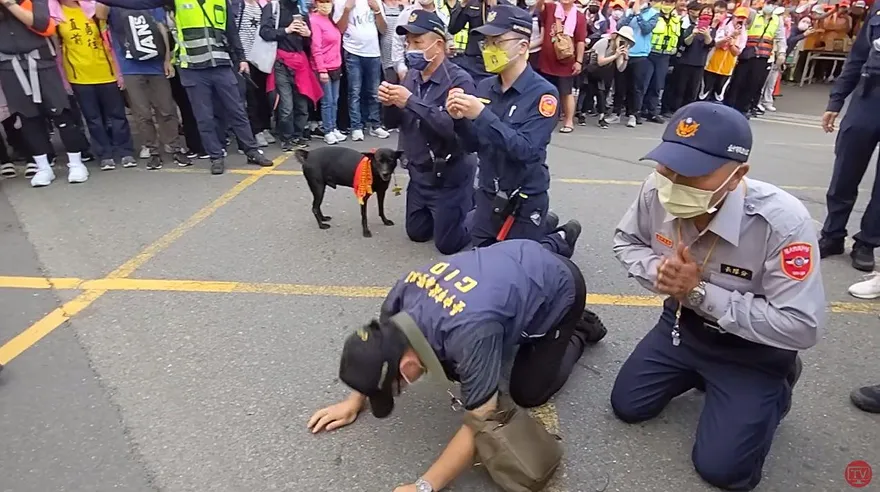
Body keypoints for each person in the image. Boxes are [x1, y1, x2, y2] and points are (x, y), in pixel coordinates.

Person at [611, 101, 822, 491]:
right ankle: (699, 375)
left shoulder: (782, 223)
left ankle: (776, 389)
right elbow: (627, 241)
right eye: (667, 164)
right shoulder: (656, 190)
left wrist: (698, 291)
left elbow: (801, 326)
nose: (673, 181)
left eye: (692, 173)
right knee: (628, 405)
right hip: (681, 328)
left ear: (738, 174)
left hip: (753, 350)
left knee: (721, 470)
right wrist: (659, 272)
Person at [306, 239, 608, 492]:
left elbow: (480, 420)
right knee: (466, 357)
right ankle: (552, 244)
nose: (399, 391)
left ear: (407, 362)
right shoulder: (398, 303)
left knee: (528, 392)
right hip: (513, 259)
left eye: (397, 385)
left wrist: (424, 486)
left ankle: (579, 329)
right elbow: (377, 353)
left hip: (559, 288)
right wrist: (354, 400)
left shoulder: (470, 334)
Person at [446, 4, 582, 256]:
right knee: (481, 261)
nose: (488, 49)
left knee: (520, 268)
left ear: (522, 47)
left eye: (497, 42)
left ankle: (561, 238)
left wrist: (482, 115)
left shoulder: (543, 94)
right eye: (486, 43)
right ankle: (546, 228)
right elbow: (473, 145)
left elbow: (526, 150)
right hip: (488, 193)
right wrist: (459, 119)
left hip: (524, 196)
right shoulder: (485, 87)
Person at [98, 0, 274, 175]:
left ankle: (252, 151)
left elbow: (231, 30)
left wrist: (241, 58)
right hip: (193, 69)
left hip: (222, 65)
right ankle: (216, 157)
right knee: (204, 118)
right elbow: (140, 4)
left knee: (237, 111)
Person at [379, 10, 477, 255]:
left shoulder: (459, 80)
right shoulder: (412, 76)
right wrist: (388, 102)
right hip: (420, 175)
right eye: (408, 42)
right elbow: (393, 123)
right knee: (417, 233)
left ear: (439, 45)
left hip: (448, 177)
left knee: (448, 245)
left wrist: (410, 101)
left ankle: (483, 209)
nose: (410, 48)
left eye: (418, 42)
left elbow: (452, 130)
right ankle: (455, 209)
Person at [0, 0, 92, 187]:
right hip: (9, 66)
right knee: (27, 118)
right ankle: (43, 166)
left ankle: (76, 162)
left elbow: (43, 25)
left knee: (60, 112)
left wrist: (10, 4)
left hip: (41, 62)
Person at [818, 0, 880, 272]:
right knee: (845, 169)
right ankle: (832, 234)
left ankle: (867, 242)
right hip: (868, 97)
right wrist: (836, 101)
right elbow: (858, 55)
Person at [97, 3, 192, 170]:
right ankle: (153, 150)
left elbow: (161, 27)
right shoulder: (115, 5)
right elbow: (100, 14)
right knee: (142, 113)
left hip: (156, 64)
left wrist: (167, 59)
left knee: (166, 108)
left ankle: (175, 147)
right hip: (130, 67)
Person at [259, 0, 321, 151]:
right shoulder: (273, 7)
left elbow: (307, 43)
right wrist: (286, 30)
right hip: (281, 61)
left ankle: (297, 136)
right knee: (286, 106)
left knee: (302, 105)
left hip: (300, 62)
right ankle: (286, 138)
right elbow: (264, 32)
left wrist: (307, 35)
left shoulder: (301, 9)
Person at [333, 0, 391, 141]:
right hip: (353, 51)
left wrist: (377, 10)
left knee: (374, 91)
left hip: (373, 52)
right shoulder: (341, 2)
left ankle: (375, 125)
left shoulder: (375, 1)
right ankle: (356, 127)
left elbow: (383, 29)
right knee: (355, 91)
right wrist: (347, 10)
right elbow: (340, 29)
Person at [723, 0, 785, 117]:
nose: (770, 6)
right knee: (738, 81)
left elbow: (781, 38)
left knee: (754, 84)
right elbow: (744, 10)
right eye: (768, 3)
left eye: (773, 4)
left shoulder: (777, 20)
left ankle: (744, 109)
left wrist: (781, 53)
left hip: (763, 56)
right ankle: (729, 106)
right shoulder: (753, 14)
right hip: (746, 54)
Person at [536, 0, 587, 133]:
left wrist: (579, 61)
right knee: (544, 91)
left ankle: (569, 121)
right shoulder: (551, 7)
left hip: (566, 61)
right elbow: (539, 7)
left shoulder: (579, 16)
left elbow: (581, 41)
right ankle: (543, 120)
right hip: (547, 60)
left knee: (566, 93)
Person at [665, 2, 714, 113]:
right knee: (679, 88)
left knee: (692, 90)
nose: (706, 15)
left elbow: (709, 44)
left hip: (699, 63)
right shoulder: (691, 26)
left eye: (709, 14)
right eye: (704, 13)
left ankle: (688, 112)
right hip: (685, 61)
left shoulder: (712, 30)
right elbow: (686, 42)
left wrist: (706, 34)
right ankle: (675, 110)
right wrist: (693, 34)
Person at [617, 0, 659, 127]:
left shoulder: (654, 13)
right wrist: (631, 14)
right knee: (620, 85)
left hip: (640, 54)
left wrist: (638, 14)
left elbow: (646, 29)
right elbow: (619, 27)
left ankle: (634, 115)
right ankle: (616, 113)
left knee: (637, 87)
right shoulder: (628, 11)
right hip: (624, 51)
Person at [311, 0, 347, 144]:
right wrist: (321, 70)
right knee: (327, 101)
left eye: (328, 2)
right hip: (323, 67)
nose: (325, 5)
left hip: (335, 65)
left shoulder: (332, 19)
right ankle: (327, 130)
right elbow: (316, 47)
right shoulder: (314, 21)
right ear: (316, 3)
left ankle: (333, 127)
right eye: (322, 2)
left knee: (334, 100)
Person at [585, 24, 634, 128]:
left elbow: (620, 68)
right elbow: (600, 62)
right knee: (588, 93)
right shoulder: (604, 42)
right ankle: (583, 113)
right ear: (616, 36)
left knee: (602, 92)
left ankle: (601, 116)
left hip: (604, 72)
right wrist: (615, 55)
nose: (624, 42)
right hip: (591, 69)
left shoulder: (620, 49)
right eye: (622, 39)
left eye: (627, 41)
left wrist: (625, 58)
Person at [641, 0, 680, 123]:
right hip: (650, 53)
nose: (668, 5)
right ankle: (637, 110)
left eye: (671, 2)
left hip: (664, 56)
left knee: (657, 85)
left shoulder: (676, 19)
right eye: (666, 2)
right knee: (644, 83)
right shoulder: (653, 15)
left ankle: (651, 111)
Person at [699, 4, 745, 103]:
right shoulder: (723, 25)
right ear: (733, 16)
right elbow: (716, 43)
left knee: (719, 95)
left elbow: (737, 52)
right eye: (738, 17)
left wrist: (732, 44)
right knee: (704, 92)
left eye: (743, 18)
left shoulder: (744, 33)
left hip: (727, 68)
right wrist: (731, 36)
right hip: (711, 64)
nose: (740, 20)